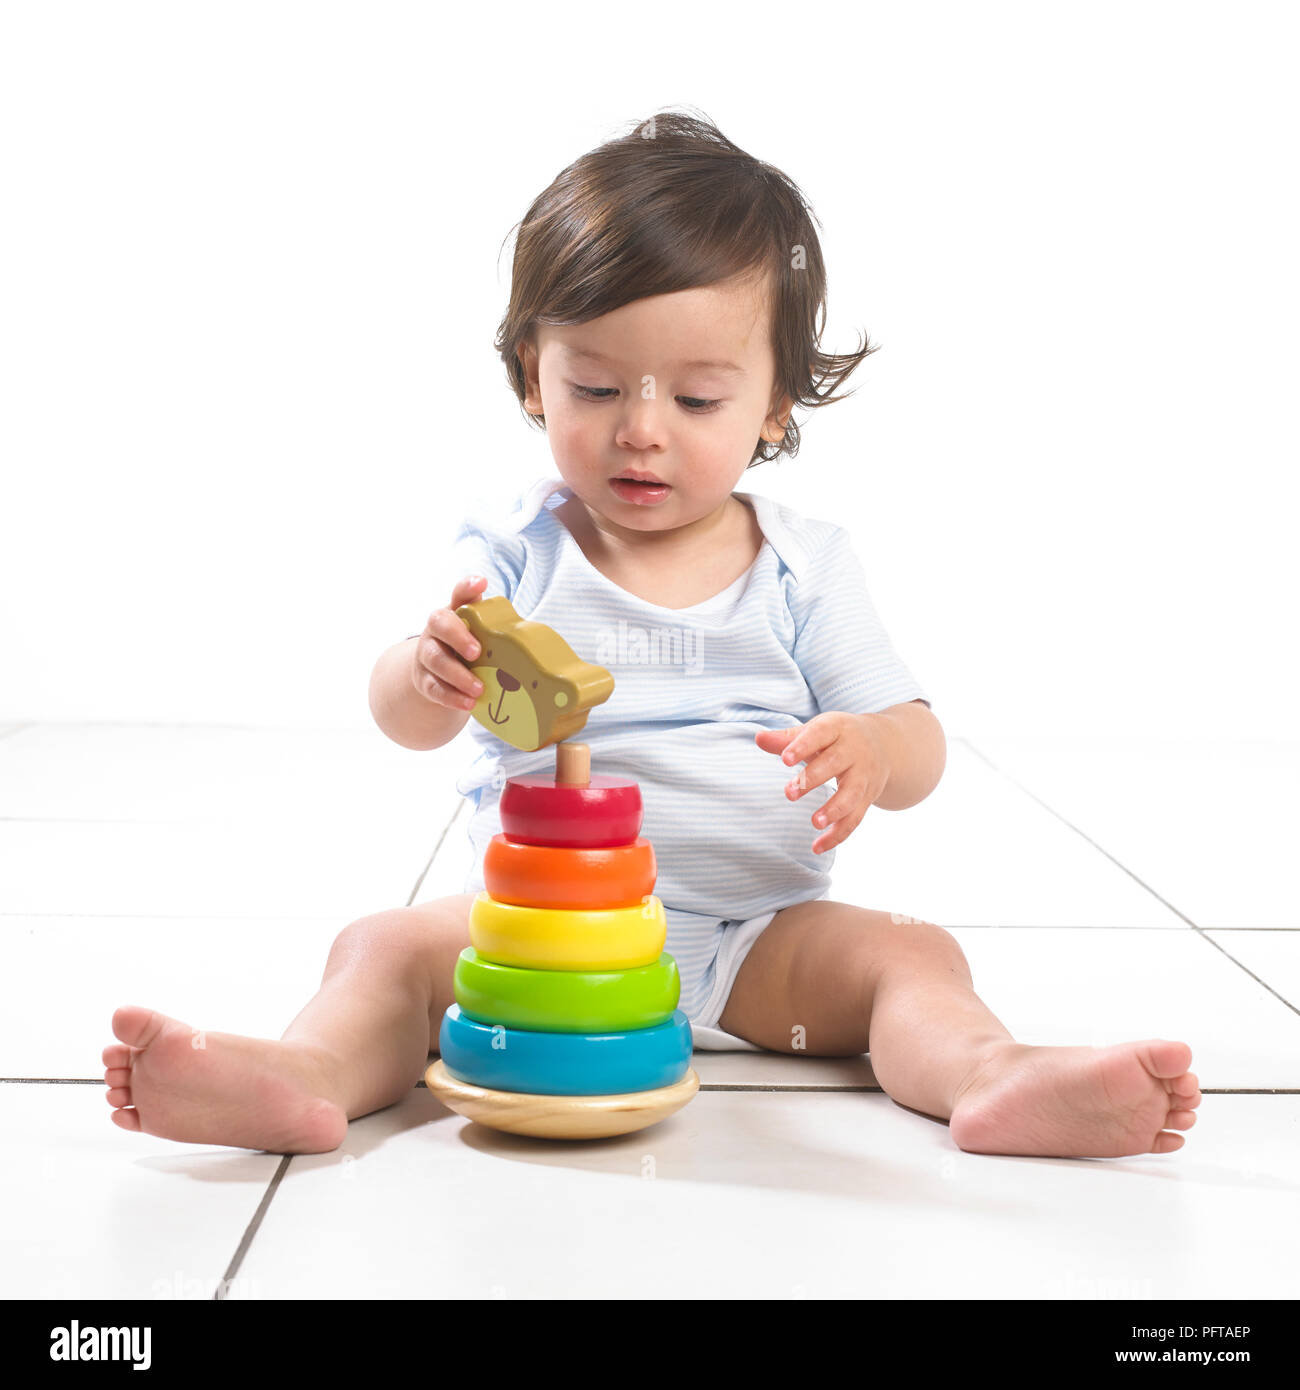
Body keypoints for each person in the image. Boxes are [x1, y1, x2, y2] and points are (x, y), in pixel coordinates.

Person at [103, 110, 1199, 1158]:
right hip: (528, 936)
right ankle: (306, 1072)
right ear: (533, 372)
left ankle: (988, 1075)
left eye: (698, 398)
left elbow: (916, 741)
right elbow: (403, 718)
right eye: (594, 384)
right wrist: (423, 671)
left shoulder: (803, 565)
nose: (639, 427)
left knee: (910, 957)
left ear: (775, 406)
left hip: (754, 940)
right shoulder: (521, 552)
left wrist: (870, 750)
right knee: (383, 947)